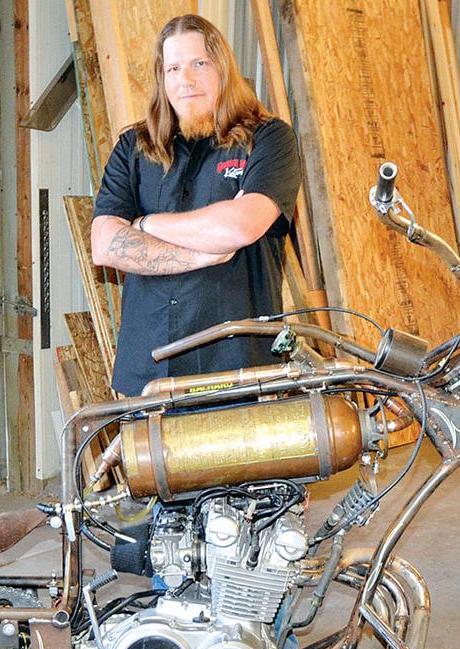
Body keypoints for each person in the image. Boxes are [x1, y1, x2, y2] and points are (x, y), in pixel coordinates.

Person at [90, 14, 302, 396]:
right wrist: (203, 253)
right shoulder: (134, 150)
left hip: (237, 372)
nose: (185, 80)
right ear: (162, 78)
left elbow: (239, 227)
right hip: (148, 374)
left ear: (223, 66)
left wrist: (144, 224)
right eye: (173, 68)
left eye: (198, 64)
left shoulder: (269, 140)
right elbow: (105, 244)